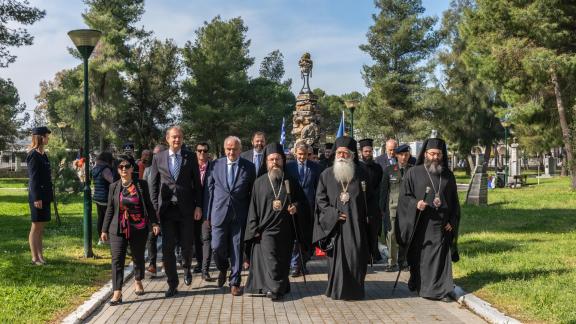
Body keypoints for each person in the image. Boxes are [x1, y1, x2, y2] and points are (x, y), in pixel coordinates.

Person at [312, 136, 378, 300]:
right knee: (336, 260)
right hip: (336, 228)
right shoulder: (326, 174)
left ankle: (355, 291)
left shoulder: (362, 173)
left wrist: (371, 218)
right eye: (339, 153)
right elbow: (320, 200)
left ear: (352, 155)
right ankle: (336, 290)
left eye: (345, 153)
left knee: (356, 257)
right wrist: (333, 214)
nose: (342, 156)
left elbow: (371, 200)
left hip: (357, 226)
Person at [396, 137, 460, 302]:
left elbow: (454, 202)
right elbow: (404, 198)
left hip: (441, 225)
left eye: (438, 154)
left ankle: (440, 290)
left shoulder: (448, 175)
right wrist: (416, 204)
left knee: (440, 258)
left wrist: (452, 222)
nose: (435, 158)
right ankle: (421, 284)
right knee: (421, 258)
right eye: (432, 154)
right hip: (420, 224)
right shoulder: (413, 173)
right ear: (425, 153)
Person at [244, 143, 311, 300]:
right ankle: (274, 290)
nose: (275, 162)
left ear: (283, 161)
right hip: (266, 229)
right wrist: (254, 228)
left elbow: (302, 202)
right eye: (271, 159)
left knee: (283, 261)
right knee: (271, 259)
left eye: (278, 159)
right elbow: (253, 207)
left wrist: (295, 207)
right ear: (266, 162)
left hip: (286, 229)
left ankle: (279, 287)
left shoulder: (290, 181)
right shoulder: (259, 182)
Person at [149, 126, 203, 297]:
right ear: (167, 139)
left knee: (187, 245)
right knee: (167, 249)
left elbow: (198, 185)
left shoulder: (190, 156)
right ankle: (172, 283)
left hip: (186, 209)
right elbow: (154, 184)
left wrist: (198, 206)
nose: (176, 140)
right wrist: (155, 209)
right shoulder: (159, 157)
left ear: (183, 139)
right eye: (173, 137)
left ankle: (187, 267)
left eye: (179, 137)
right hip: (166, 210)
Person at [100, 155, 161, 305]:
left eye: (127, 166)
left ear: (132, 168)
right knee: (117, 260)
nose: (124, 169)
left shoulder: (141, 185)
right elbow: (109, 209)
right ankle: (117, 293)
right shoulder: (114, 187)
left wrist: (154, 223)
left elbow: (149, 205)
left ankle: (138, 280)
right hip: (118, 228)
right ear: (118, 170)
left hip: (138, 227)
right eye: (121, 167)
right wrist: (104, 229)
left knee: (138, 256)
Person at [204, 136, 256, 296]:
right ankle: (223, 268)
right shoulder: (214, 165)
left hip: (239, 215)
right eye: (228, 148)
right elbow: (208, 191)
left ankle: (235, 282)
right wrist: (207, 215)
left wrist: (251, 216)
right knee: (216, 246)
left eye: (234, 149)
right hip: (218, 213)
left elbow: (252, 193)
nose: (231, 152)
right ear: (225, 149)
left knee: (236, 248)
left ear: (240, 150)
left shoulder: (249, 167)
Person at [285, 142, 320, 277]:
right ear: (295, 154)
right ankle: (294, 265)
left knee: (307, 237)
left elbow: (318, 188)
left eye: (304, 154)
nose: (302, 157)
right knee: (295, 237)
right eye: (299, 154)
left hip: (309, 207)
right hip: (294, 206)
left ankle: (303, 263)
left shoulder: (315, 168)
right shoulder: (289, 168)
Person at [380, 144, 414, 272]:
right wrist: (382, 209)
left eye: (406, 155)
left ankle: (403, 261)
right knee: (391, 234)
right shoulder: (389, 170)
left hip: (408, 209)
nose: (404, 157)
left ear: (409, 155)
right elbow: (384, 191)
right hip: (392, 208)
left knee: (406, 235)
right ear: (397, 156)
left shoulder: (413, 170)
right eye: (401, 155)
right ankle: (391, 262)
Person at [26, 126, 53, 266]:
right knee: (35, 228)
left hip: (45, 195)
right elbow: (34, 178)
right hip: (37, 197)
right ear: (40, 137)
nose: (48, 138)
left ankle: (40, 256)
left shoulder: (43, 154)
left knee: (41, 228)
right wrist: (36, 198)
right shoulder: (33, 155)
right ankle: (34, 257)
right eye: (47, 136)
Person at [358, 138, 384, 263]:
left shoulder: (377, 167)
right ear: (361, 152)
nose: (368, 153)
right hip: (361, 203)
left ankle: (373, 253)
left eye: (370, 151)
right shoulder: (357, 167)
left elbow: (381, 185)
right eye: (366, 151)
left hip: (374, 203)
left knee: (374, 229)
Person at [144, 144, 167, 275]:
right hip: (152, 208)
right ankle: (152, 264)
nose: (155, 156)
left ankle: (165, 261)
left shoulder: (167, 169)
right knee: (151, 236)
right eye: (154, 154)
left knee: (166, 236)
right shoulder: (148, 170)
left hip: (166, 207)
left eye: (158, 154)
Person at [195, 142, 213, 280]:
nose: (202, 153)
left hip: (207, 210)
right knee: (195, 239)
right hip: (191, 210)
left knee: (206, 239)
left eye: (204, 151)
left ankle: (205, 270)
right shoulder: (190, 167)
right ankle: (199, 264)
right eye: (199, 151)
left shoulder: (214, 168)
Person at [92, 152, 117, 245]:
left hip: (98, 197)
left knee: (101, 218)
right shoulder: (105, 169)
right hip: (106, 198)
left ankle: (100, 239)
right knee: (108, 219)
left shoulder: (95, 168)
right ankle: (107, 238)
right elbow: (113, 181)